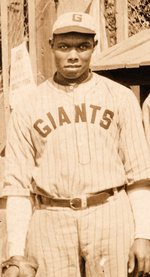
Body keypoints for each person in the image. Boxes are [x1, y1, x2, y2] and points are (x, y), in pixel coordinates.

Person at [1, 11, 150, 277]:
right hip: (50, 218)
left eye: (82, 47)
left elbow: (139, 177)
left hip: (110, 214)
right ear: (51, 46)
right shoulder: (27, 106)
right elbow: (17, 188)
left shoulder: (120, 97)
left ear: (94, 46)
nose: (73, 55)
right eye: (64, 46)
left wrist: (144, 234)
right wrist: (15, 254)